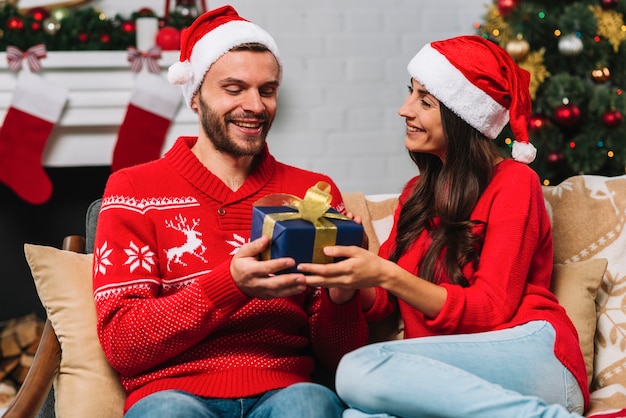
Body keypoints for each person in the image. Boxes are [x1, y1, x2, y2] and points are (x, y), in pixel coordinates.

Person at [92, 5, 370, 418]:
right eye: (234, 89)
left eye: (267, 90)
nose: (255, 105)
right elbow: (123, 345)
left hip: (286, 389)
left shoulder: (313, 193)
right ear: (196, 97)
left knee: (311, 405)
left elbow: (341, 360)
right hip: (172, 394)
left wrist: (342, 295)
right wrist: (229, 285)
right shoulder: (133, 189)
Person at [298, 35, 589, 417]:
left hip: (532, 354)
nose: (405, 109)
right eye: (410, 93)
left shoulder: (515, 183)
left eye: (425, 101)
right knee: (358, 415)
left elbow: (489, 311)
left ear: (460, 115)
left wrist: (384, 273)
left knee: (359, 369)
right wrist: (348, 277)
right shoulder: (416, 193)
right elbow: (383, 302)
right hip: (451, 373)